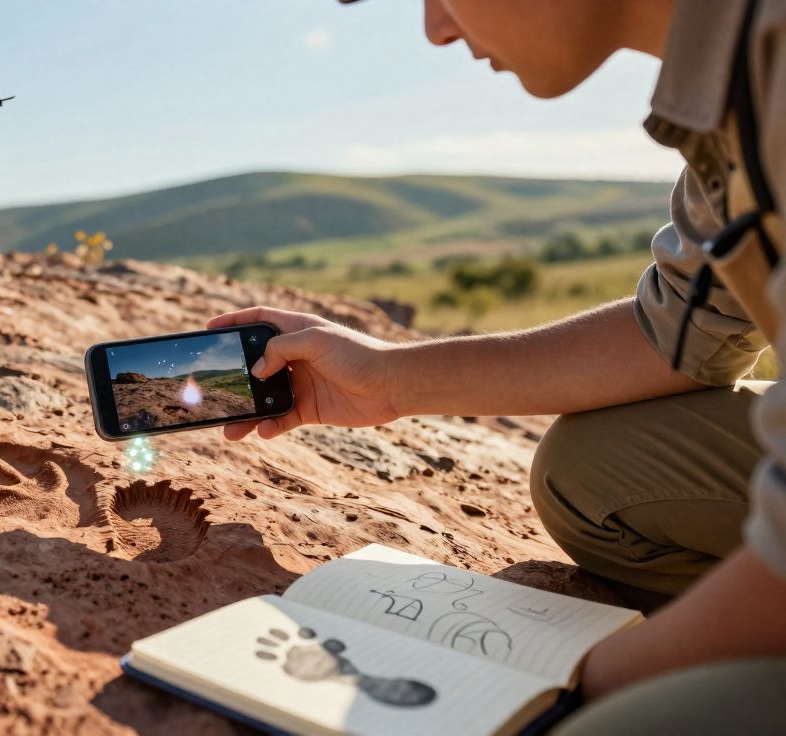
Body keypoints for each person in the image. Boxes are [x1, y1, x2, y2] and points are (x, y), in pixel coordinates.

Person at [210, 1, 786, 732]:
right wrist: (385, 376)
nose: (435, 28)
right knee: (597, 473)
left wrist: (569, 689)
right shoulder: (728, 87)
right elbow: (677, 328)